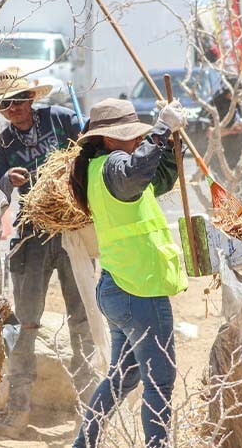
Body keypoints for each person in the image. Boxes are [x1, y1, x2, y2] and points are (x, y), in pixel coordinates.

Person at [68, 98, 188, 448]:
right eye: (131, 134)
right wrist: (161, 129)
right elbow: (136, 173)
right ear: (108, 138)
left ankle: (83, 444)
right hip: (139, 289)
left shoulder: (100, 169)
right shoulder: (116, 166)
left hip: (118, 287)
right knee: (159, 382)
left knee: (123, 377)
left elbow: (157, 177)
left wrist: (172, 139)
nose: (137, 139)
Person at [0, 67, 96, 437]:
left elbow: (91, 149)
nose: (12, 109)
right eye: (4, 105)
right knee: (25, 322)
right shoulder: (4, 143)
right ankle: (19, 409)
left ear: (31, 98)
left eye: (17, 101)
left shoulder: (62, 119)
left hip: (73, 227)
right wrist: (8, 180)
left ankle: (88, 408)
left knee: (82, 318)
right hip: (32, 232)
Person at [201, 80, 242, 196]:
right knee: (223, 191)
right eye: (238, 92)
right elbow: (209, 132)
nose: (241, 94)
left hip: (241, 153)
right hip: (221, 155)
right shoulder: (214, 105)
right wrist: (230, 130)